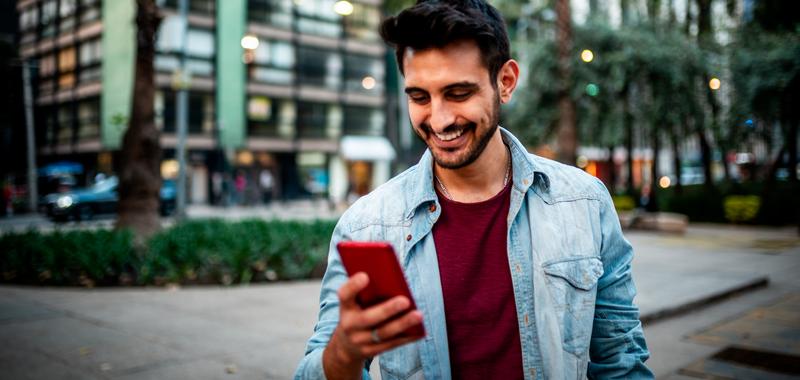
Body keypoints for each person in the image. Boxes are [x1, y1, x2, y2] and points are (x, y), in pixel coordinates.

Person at [295, 1, 653, 379]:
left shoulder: (585, 202)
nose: (439, 119)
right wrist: (344, 353)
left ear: (506, 82)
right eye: (419, 97)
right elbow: (312, 369)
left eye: (458, 93)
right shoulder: (366, 225)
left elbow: (622, 363)